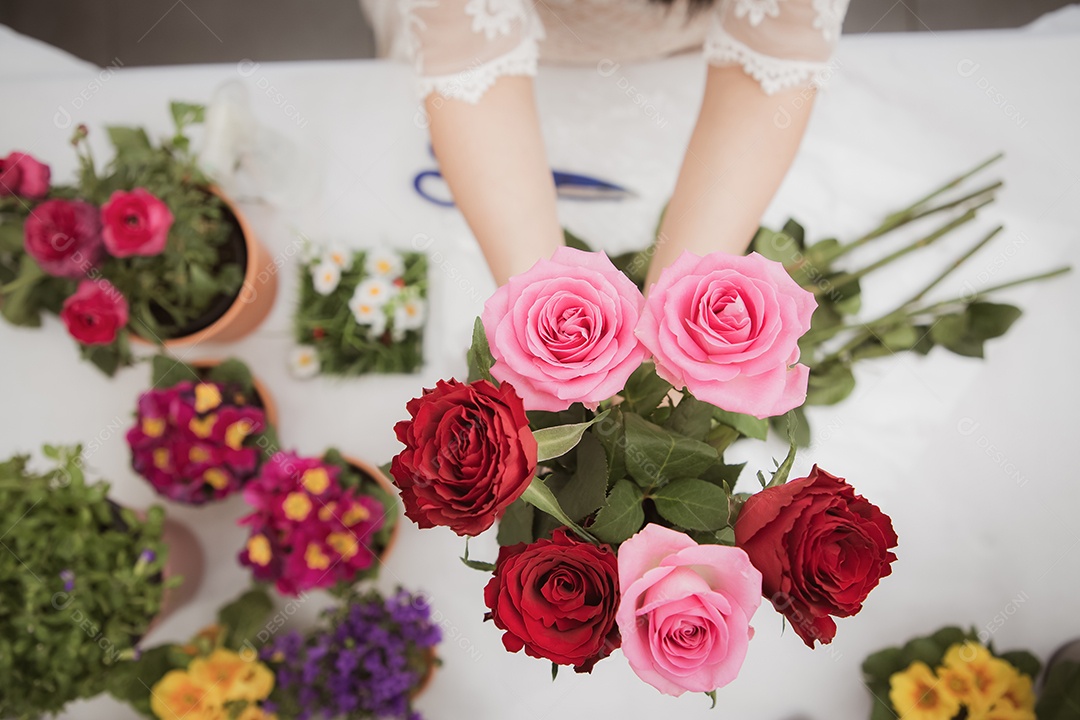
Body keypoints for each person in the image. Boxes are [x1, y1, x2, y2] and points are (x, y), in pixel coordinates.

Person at [363, 0, 850, 287]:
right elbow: (468, 62)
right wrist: (544, 318)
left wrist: (679, 320)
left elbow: (771, 59)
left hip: (691, 30)